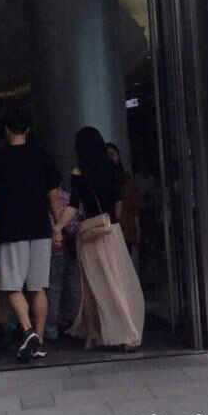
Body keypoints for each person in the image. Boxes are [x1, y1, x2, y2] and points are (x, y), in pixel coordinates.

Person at [53, 126, 145, 351]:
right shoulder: (112, 168)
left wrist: (58, 227)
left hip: (89, 234)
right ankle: (127, 332)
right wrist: (113, 222)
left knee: (92, 288)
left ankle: (93, 334)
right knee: (117, 284)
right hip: (111, 232)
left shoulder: (79, 173)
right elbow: (118, 205)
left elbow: (74, 206)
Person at [0, 110, 62, 361]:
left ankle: (28, 331)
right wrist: (58, 226)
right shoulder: (42, 156)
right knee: (38, 287)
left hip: (11, 229)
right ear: (27, 130)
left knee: (11, 286)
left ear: (6, 130)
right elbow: (54, 195)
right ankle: (39, 340)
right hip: (40, 228)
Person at [44, 187, 81, 341]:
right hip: (72, 242)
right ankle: (75, 323)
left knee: (54, 286)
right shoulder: (69, 196)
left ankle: (51, 329)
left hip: (55, 244)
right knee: (74, 284)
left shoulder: (46, 199)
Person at [106, 142, 142, 255]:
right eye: (107, 156)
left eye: (112, 155)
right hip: (108, 233)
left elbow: (135, 209)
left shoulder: (127, 180)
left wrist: (137, 230)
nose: (110, 159)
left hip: (126, 231)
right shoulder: (102, 182)